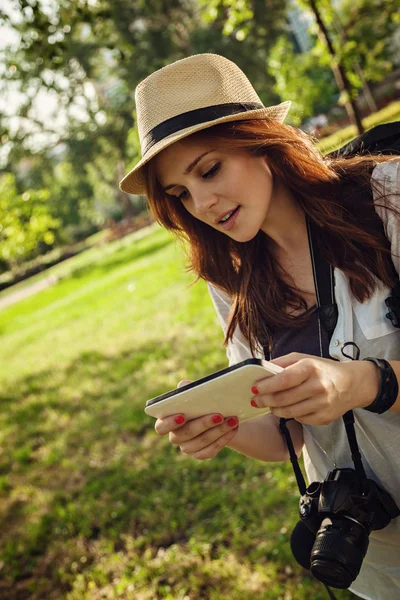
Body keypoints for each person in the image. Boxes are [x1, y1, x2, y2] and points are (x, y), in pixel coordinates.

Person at [119, 53, 400, 599]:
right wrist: (223, 427)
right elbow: (289, 436)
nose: (202, 203)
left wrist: (360, 383)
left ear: (262, 141)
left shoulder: (386, 196)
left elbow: (350, 387)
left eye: (209, 169)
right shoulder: (230, 278)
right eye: (179, 193)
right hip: (377, 561)